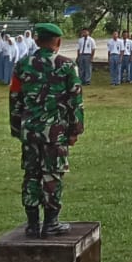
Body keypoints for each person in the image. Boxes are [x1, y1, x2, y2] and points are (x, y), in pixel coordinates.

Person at [8, 22, 84, 238]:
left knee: (31, 175)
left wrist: (17, 128)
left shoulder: (22, 65)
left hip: (30, 131)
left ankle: (32, 224)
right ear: (58, 42)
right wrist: (74, 131)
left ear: (36, 40)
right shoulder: (66, 65)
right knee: (52, 175)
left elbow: (15, 98)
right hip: (55, 132)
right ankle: (51, 223)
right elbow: (75, 100)